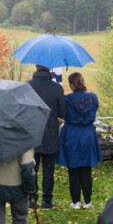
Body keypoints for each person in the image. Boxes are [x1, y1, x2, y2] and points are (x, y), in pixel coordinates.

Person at [58, 72, 101, 209]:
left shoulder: (67, 100)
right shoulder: (93, 98)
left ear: (71, 85)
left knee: (73, 168)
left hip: (72, 134)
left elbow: (62, 113)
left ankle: (76, 201)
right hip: (87, 133)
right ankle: (87, 201)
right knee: (86, 168)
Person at [27, 65, 67, 209]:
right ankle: (47, 201)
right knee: (48, 169)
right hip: (50, 134)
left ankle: (32, 199)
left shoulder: (27, 86)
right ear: (49, 68)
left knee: (32, 169)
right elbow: (63, 112)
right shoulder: (56, 88)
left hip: (32, 134)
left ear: (36, 67)